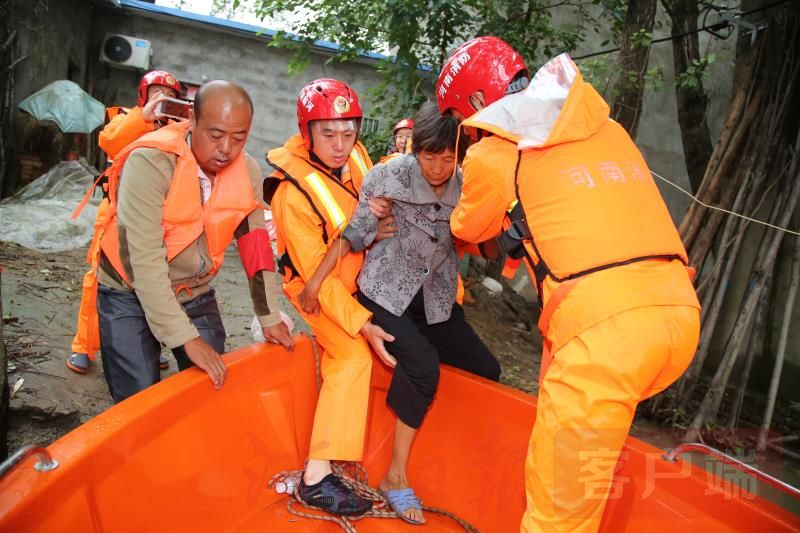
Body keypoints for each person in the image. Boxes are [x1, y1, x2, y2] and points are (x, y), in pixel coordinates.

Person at [436, 37, 701, 532]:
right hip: (677, 314)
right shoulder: (607, 126)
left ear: (475, 103)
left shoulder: (496, 152)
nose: (465, 131)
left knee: (558, 514)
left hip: (604, 338)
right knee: (575, 465)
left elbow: (466, 229)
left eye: (460, 120)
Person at [297, 101, 501, 524]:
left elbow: (485, 242)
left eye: (448, 158)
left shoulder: (468, 184)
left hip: (435, 296)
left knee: (486, 368)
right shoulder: (389, 175)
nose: (439, 168)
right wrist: (315, 283)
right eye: (429, 156)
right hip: (386, 290)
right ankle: (395, 475)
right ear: (414, 149)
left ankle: (431, 428)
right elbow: (354, 233)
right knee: (423, 363)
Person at [92, 80, 293, 403]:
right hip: (128, 288)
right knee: (138, 398)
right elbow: (144, 262)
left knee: (208, 385)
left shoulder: (248, 172)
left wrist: (269, 316)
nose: (227, 148)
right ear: (192, 121)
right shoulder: (151, 162)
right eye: (215, 135)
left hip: (192, 289)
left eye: (238, 137)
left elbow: (256, 247)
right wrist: (185, 337)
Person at [264, 78, 396, 516]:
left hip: (360, 273)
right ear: (307, 132)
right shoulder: (291, 196)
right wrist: (362, 323)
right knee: (354, 355)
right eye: (328, 133)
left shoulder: (357, 156)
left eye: (348, 131)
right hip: (314, 289)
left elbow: (374, 206)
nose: (341, 145)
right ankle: (316, 478)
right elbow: (315, 277)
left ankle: (331, 460)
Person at [67, 70, 184, 375]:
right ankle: (83, 347)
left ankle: (152, 346)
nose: (161, 99)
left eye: (167, 94)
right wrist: (144, 118)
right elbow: (110, 141)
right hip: (114, 217)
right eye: (156, 92)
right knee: (97, 281)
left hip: (157, 220)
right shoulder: (125, 119)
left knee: (154, 282)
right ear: (144, 94)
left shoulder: (178, 131)